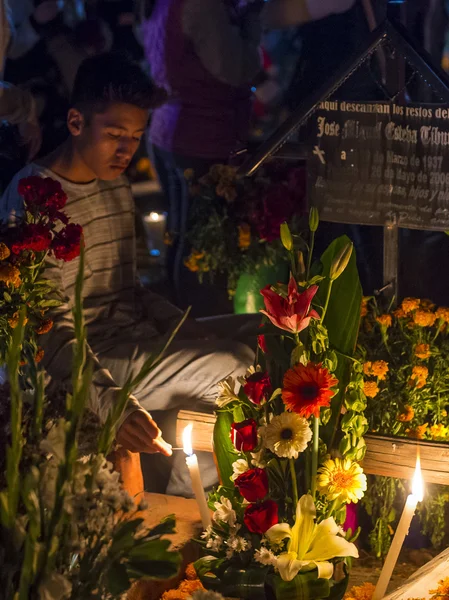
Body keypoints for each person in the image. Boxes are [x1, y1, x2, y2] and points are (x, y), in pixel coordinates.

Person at [1, 52, 254, 496]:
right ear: (76, 122)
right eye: (115, 134)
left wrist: (184, 326)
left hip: (128, 337)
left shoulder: (114, 182)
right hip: (79, 357)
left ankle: (191, 497)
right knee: (234, 366)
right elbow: (46, 332)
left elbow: (129, 289)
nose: (126, 150)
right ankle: (187, 508)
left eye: (136, 137)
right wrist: (112, 404)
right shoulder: (33, 197)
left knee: (262, 332)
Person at [139, 0, 263, 302]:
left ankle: (180, 317)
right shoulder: (202, 4)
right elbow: (233, 67)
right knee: (203, 246)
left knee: (181, 236)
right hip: (202, 134)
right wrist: (251, 23)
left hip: (169, 128)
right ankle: (200, 324)